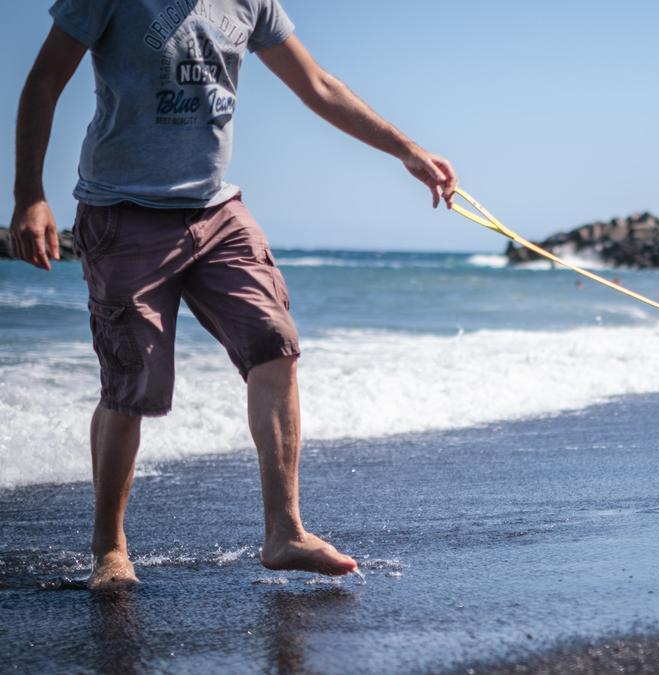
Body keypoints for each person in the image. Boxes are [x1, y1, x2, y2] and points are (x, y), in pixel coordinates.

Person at [9, 0, 457, 590]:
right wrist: (29, 195)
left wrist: (406, 149)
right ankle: (109, 548)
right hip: (123, 210)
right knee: (132, 384)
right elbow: (43, 81)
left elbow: (318, 84)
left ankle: (285, 532)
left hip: (216, 208)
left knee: (275, 344)